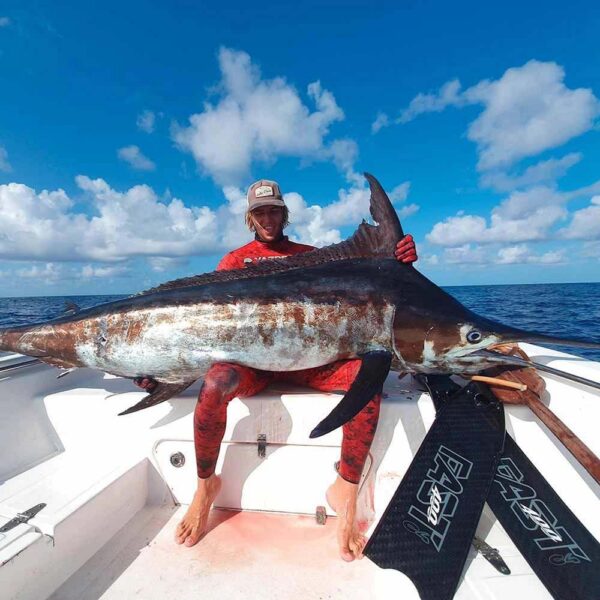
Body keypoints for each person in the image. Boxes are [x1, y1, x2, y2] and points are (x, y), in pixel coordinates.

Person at [136, 179, 418, 561]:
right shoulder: (233, 262)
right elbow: (208, 327)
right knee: (216, 382)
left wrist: (396, 261)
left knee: (367, 383)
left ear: (284, 214)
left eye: (273, 211)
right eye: (260, 212)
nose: (267, 219)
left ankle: (346, 490)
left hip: (314, 364)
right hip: (255, 367)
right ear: (250, 218)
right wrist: (160, 367)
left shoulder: (316, 257)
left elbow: (369, 286)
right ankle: (205, 487)